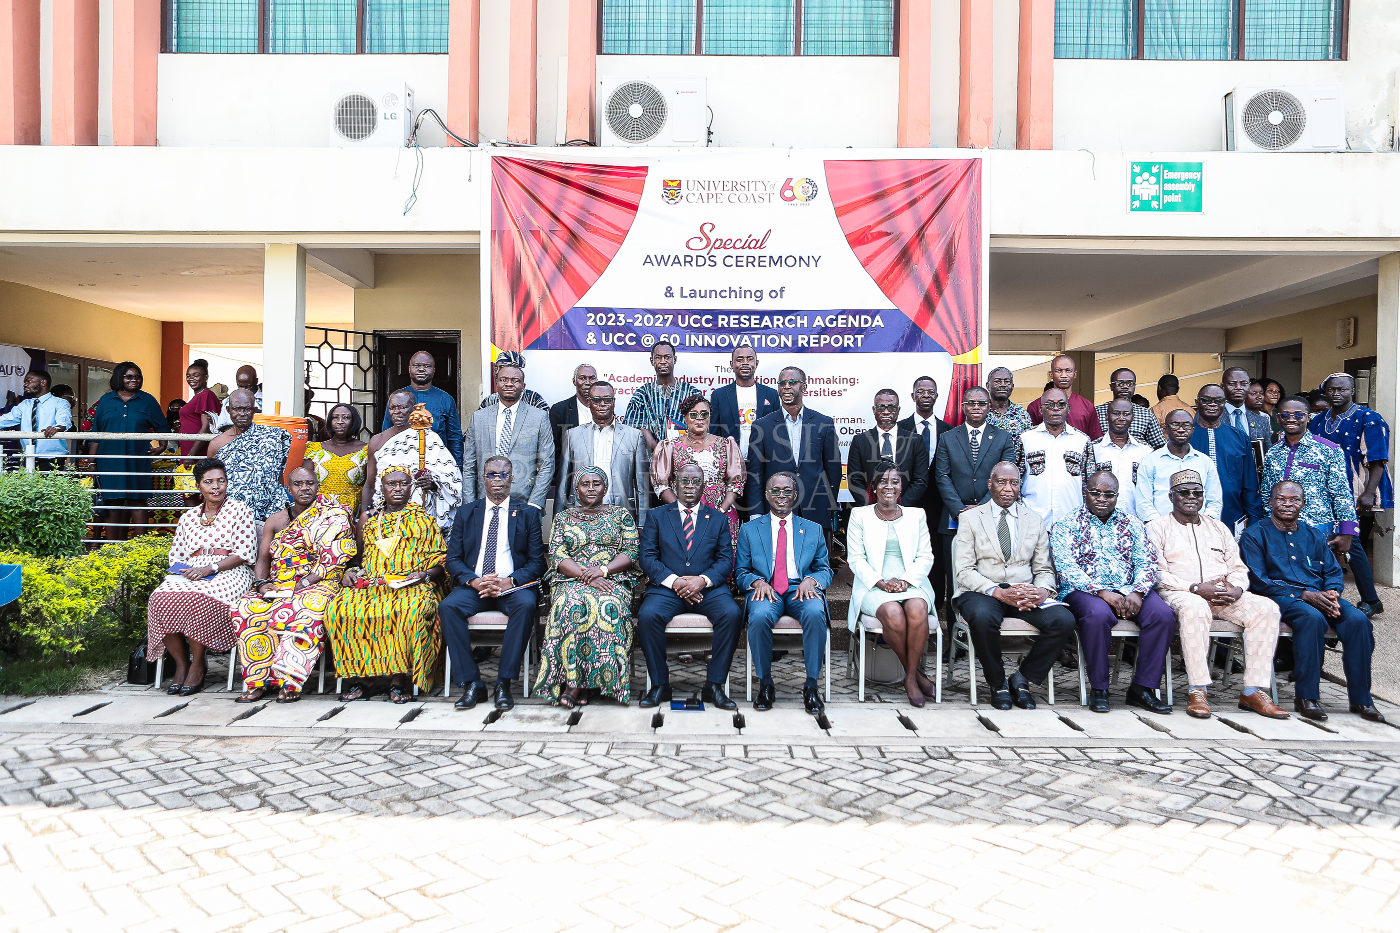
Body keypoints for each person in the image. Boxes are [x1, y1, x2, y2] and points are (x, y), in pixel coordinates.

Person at [1147, 469, 1288, 721]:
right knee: (1195, 608)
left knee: (1266, 608)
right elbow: (1157, 574)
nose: (1191, 497)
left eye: (1197, 493)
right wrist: (1194, 588)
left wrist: (1236, 589)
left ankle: (1252, 690)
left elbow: (1238, 567)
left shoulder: (1218, 527)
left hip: (1222, 595)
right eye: (1184, 493)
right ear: (1171, 497)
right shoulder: (1157, 528)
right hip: (1181, 593)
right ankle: (1197, 690)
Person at [1242, 481, 1383, 723]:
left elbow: (1333, 572)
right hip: (1280, 596)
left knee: (1358, 620)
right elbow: (1258, 580)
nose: (1288, 504)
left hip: (1321, 596)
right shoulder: (1255, 534)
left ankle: (1362, 699)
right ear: (1271, 502)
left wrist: (1332, 593)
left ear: (1303, 504)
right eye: (1281, 499)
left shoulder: (1314, 534)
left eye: (1294, 500)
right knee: (1311, 618)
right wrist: (1304, 595)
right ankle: (1307, 697)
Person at [953, 461, 1076, 710]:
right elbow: (964, 570)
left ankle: (1023, 678)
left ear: (1020, 486)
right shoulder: (970, 518)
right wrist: (997, 591)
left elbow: (1043, 569)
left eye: (1014, 483)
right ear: (990, 484)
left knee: (1063, 620)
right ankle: (997, 683)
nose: (1008, 488)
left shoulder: (1034, 520)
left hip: (1023, 592)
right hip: (983, 590)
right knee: (982, 616)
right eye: (1001, 482)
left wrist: (1042, 591)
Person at [1049, 470, 1173, 714]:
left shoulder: (1132, 523)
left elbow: (1147, 561)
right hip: (1084, 591)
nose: (1101, 498)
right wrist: (1102, 592)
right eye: (1095, 493)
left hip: (1128, 588)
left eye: (1109, 494)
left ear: (1117, 496)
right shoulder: (1067, 524)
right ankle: (1100, 688)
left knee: (1163, 616)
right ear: (1085, 493)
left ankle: (1142, 688)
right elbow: (1065, 567)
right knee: (1097, 616)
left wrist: (1138, 592)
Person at [231, 466, 356, 703]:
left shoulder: (334, 515)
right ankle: (258, 680)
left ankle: (290, 681)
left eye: (309, 483)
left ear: (318, 486)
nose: (304, 488)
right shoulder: (276, 520)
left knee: (303, 609)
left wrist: (305, 582)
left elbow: (337, 555)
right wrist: (260, 584)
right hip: (280, 582)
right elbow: (264, 559)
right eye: (298, 484)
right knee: (244, 608)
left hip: (321, 581)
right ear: (288, 488)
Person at [325, 466, 447, 703]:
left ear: (411, 488)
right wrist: (349, 573)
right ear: (382, 488)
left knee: (407, 611)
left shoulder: (424, 519)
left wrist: (423, 575)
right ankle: (361, 678)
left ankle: (398, 678)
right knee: (340, 610)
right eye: (391, 484)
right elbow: (357, 558)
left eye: (403, 484)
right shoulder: (368, 519)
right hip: (372, 584)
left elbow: (441, 561)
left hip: (413, 584)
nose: (398, 489)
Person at [438, 456, 547, 711]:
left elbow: (536, 562)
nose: (496, 480)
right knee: (448, 608)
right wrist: (475, 581)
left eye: (502, 474)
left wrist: (510, 581)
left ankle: (503, 683)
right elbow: (452, 559)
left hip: (512, 587)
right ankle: (472, 683)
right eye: (491, 474)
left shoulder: (528, 514)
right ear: (483, 478)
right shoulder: (467, 512)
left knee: (526, 606)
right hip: (475, 585)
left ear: (511, 478)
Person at [144, 458, 257, 696]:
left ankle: (198, 663)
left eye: (221, 481)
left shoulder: (240, 510)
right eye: (209, 482)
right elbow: (176, 556)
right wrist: (186, 571)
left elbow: (244, 553)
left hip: (230, 571)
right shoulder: (188, 517)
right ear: (199, 486)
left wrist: (210, 568)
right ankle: (181, 663)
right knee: (160, 598)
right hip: (193, 570)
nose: (216, 487)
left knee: (197, 598)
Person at [636, 462, 741, 710]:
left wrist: (701, 580)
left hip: (708, 590)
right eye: (685, 481)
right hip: (667, 589)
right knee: (648, 616)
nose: (690, 486)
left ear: (703, 486)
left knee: (732, 613)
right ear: (675, 485)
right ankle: (660, 685)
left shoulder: (717, 518)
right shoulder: (657, 516)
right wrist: (676, 582)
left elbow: (726, 559)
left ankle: (714, 686)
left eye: (696, 482)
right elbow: (647, 557)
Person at [536, 466, 642, 708]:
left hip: (612, 579)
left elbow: (631, 551)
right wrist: (588, 576)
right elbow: (558, 555)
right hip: (572, 579)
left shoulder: (620, 515)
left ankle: (598, 683)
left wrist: (603, 571)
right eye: (585, 484)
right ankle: (574, 684)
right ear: (576, 489)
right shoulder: (563, 517)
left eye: (597, 483)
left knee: (608, 605)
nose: (591, 488)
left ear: (605, 488)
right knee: (568, 604)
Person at [738, 472, 833, 714]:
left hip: (800, 588)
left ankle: (811, 685)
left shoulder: (812, 529)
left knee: (814, 612)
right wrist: (757, 582)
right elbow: (741, 572)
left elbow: (825, 569)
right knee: (758, 617)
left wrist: (811, 580)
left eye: (787, 491)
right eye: (776, 491)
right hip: (766, 589)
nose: (781, 496)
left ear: (795, 496)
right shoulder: (750, 530)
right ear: (767, 495)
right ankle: (766, 682)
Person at [846, 461, 936, 707]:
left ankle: (909, 676)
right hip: (873, 583)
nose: (889, 486)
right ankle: (914, 675)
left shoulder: (916, 515)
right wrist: (881, 582)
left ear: (901, 487)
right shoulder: (859, 515)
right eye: (883, 481)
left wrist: (906, 581)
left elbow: (925, 556)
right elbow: (855, 559)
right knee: (894, 613)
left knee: (917, 608)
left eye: (895, 481)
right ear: (874, 487)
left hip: (911, 579)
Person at [1310, 372, 1390, 617]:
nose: (1337, 393)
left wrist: (1368, 493)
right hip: (1322, 490)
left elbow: (1377, 461)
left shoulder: (1370, 418)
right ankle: (1333, 595)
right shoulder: (1318, 420)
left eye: (1342, 389)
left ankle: (1371, 599)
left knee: (1351, 542)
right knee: (1330, 541)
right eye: (1332, 389)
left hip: (1354, 490)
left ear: (1352, 390)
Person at [933, 386, 1016, 601]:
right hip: (954, 518)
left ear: (989, 406)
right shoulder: (948, 437)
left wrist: (983, 508)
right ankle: (954, 630)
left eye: (981, 403)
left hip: (992, 517)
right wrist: (960, 510)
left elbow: (1007, 477)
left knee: (988, 576)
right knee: (954, 579)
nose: (976, 407)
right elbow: (942, 476)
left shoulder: (1003, 438)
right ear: (963, 407)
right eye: (971, 403)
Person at [744, 366, 842, 535]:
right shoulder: (762, 426)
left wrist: (827, 503)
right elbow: (755, 474)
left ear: (804, 387)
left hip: (816, 511)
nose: (786, 386)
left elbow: (833, 470)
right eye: (782, 383)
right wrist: (756, 512)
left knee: (815, 561)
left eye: (792, 382)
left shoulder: (823, 423)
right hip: (775, 510)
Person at [652, 394, 745, 551]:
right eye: (693, 415)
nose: (699, 419)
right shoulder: (670, 446)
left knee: (721, 560)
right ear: (685, 418)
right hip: (683, 515)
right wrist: (683, 511)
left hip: (721, 513)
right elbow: (661, 484)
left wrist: (720, 511)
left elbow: (736, 482)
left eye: (704, 414)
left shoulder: (726, 444)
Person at [86, 362, 167, 540]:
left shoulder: (147, 400)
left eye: (137, 377)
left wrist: (162, 446)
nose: (134, 380)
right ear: (119, 378)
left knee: (138, 500)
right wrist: (91, 462)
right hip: (109, 460)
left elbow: (162, 426)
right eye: (129, 377)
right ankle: (112, 546)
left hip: (137, 458)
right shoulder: (106, 400)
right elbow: (96, 433)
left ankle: (141, 547)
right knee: (112, 501)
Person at [365, 390, 464, 532]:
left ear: (413, 409)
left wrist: (433, 484)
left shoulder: (429, 438)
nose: (397, 412)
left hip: (423, 517)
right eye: (393, 408)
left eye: (402, 407)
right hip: (388, 515)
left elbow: (452, 479)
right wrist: (366, 514)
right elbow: (370, 484)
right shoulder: (378, 440)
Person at [557, 380, 650, 526]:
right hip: (581, 517)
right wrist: (558, 522)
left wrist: (642, 524)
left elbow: (642, 487)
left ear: (613, 401)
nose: (602, 404)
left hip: (621, 516)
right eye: (596, 400)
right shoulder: (572, 435)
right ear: (588, 402)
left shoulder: (634, 436)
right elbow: (563, 483)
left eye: (607, 400)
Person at [463, 363, 553, 511]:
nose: (509, 384)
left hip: (524, 504)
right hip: (484, 502)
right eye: (504, 379)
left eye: (515, 380)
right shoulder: (478, 418)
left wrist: (535, 504)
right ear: (496, 383)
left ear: (523, 386)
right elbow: (469, 465)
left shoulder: (539, 418)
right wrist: (469, 504)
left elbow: (547, 464)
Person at [207, 388, 292, 531]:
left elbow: (279, 476)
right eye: (237, 409)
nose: (242, 414)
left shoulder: (272, 436)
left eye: (247, 409)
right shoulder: (217, 444)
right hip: (233, 516)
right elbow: (211, 481)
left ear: (254, 410)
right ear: (228, 410)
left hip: (271, 511)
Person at [1191, 383, 1262, 531]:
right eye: (1206, 400)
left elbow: (1249, 483)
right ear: (1197, 402)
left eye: (1218, 401)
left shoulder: (1239, 437)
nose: (1212, 404)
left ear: (1225, 404)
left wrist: (1254, 520)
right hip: (1191, 517)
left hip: (1232, 516)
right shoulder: (1186, 437)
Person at [1136, 408, 1222, 523]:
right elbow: (1143, 502)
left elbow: (1214, 500)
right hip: (1162, 530)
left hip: (1200, 530)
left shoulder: (1205, 462)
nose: (1181, 430)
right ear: (1165, 429)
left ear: (1192, 429)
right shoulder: (1150, 461)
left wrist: (1205, 524)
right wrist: (1160, 527)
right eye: (1175, 425)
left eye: (1186, 425)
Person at [1019, 388, 1089, 528]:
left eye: (1061, 404)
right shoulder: (1025, 439)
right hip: (1033, 520)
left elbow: (1089, 483)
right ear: (1040, 409)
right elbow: (1016, 480)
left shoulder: (1082, 441)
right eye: (1050, 405)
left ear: (1068, 409)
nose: (1056, 409)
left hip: (1072, 522)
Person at [846, 388, 928, 506]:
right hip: (870, 511)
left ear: (898, 410)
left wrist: (900, 507)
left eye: (891, 407)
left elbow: (920, 480)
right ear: (874, 410)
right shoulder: (860, 441)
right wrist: (872, 507)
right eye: (881, 407)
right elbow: (854, 480)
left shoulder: (915, 441)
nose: (885, 411)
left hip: (905, 510)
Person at [382, 350, 464, 465]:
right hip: (401, 464)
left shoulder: (445, 399)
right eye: (416, 365)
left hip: (436, 464)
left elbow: (454, 438)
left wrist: (456, 468)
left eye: (427, 366)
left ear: (434, 370)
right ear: (409, 368)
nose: (421, 369)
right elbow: (386, 432)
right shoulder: (397, 397)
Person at [622, 341, 701, 452]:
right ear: (652, 361)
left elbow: (701, 428)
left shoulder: (691, 393)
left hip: (686, 458)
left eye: (667, 357)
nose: (663, 362)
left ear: (675, 359)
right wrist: (655, 446)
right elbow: (630, 430)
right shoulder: (641, 394)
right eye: (658, 358)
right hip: (649, 462)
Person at [710, 343, 779, 464]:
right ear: (732, 364)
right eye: (740, 359)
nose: (745, 363)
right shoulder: (719, 395)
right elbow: (713, 433)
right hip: (729, 463)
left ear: (756, 363)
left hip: (763, 462)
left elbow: (777, 431)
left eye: (750, 359)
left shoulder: (771, 394)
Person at [1082, 398, 1152, 518]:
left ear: (1132, 417)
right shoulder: (1093, 449)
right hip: (1101, 520)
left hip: (1137, 519)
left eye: (1126, 414)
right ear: (1106, 416)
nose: (1121, 418)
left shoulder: (1145, 451)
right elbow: (1084, 485)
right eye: (1116, 413)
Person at [303, 403, 368, 512]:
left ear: (354, 422)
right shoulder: (315, 450)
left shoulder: (365, 450)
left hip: (351, 514)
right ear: (329, 422)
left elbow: (370, 486)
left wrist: (365, 515)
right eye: (335, 417)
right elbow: (304, 482)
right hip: (319, 513)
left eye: (346, 417)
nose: (340, 421)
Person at [0, 369, 70, 470]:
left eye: (29, 381)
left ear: (43, 382)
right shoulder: (25, 404)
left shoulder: (60, 403)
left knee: (48, 486)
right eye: (25, 382)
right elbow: (6, 419)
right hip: (28, 456)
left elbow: (63, 423)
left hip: (52, 457)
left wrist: (56, 428)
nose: (25, 384)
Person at [548, 363, 598, 492]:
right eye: (582, 378)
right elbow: (555, 450)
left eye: (592, 378)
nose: (587, 382)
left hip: (601, 479)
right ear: (574, 381)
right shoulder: (559, 410)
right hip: (571, 481)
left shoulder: (605, 409)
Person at [1026, 355, 1101, 439]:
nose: (1064, 375)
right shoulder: (1036, 406)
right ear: (1051, 374)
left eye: (1068, 371)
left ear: (1075, 374)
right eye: (1059, 371)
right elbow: (1029, 438)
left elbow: (1095, 439)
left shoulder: (1087, 406)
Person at [1094, 368, 1165, 448]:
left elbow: (1159, 446)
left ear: (1134, 386)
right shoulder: (1097, 412)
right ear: (1111, 387)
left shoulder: (1146, 414)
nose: (1125, 387)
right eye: (1120, 383)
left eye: (1130, 383)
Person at [984, 367, 1031, 465]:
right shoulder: (980, 413)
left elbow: (1028, 448)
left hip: (1016, 475)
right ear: (988, 386)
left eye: (1007, 381)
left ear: (1012, 386)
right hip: (985, 475)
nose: (1002, 385)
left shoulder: (1022, 415)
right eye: (997, 381)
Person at [478, 350, 550, 413]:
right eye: (496, 368)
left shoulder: (533, 399)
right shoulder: (489, 401)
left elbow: (546, 422)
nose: (496, 372)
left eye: (501, 367)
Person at [177, 359, 222, 458]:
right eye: (188, 376)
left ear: (206, 377)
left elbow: (206, 428)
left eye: (196, 375)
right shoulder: (198, 396)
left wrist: (191, 455)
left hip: (197, 453)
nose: (191, 379)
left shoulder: (205, 395)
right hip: (189, 450)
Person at [1221, 366, 1271, 443]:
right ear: (1222, 386)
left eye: (1243, 384)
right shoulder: (1212, 418)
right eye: (1232, 384)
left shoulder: (1262, 421)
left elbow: (1266, 452)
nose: (1238, 387)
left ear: (1249, 386)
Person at [214, 364, 262, 430]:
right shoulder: (229, 401)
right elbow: (222, 426)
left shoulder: (265, 400)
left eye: (247, 386)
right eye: (240, 386)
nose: (243, 389)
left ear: (256, 381)